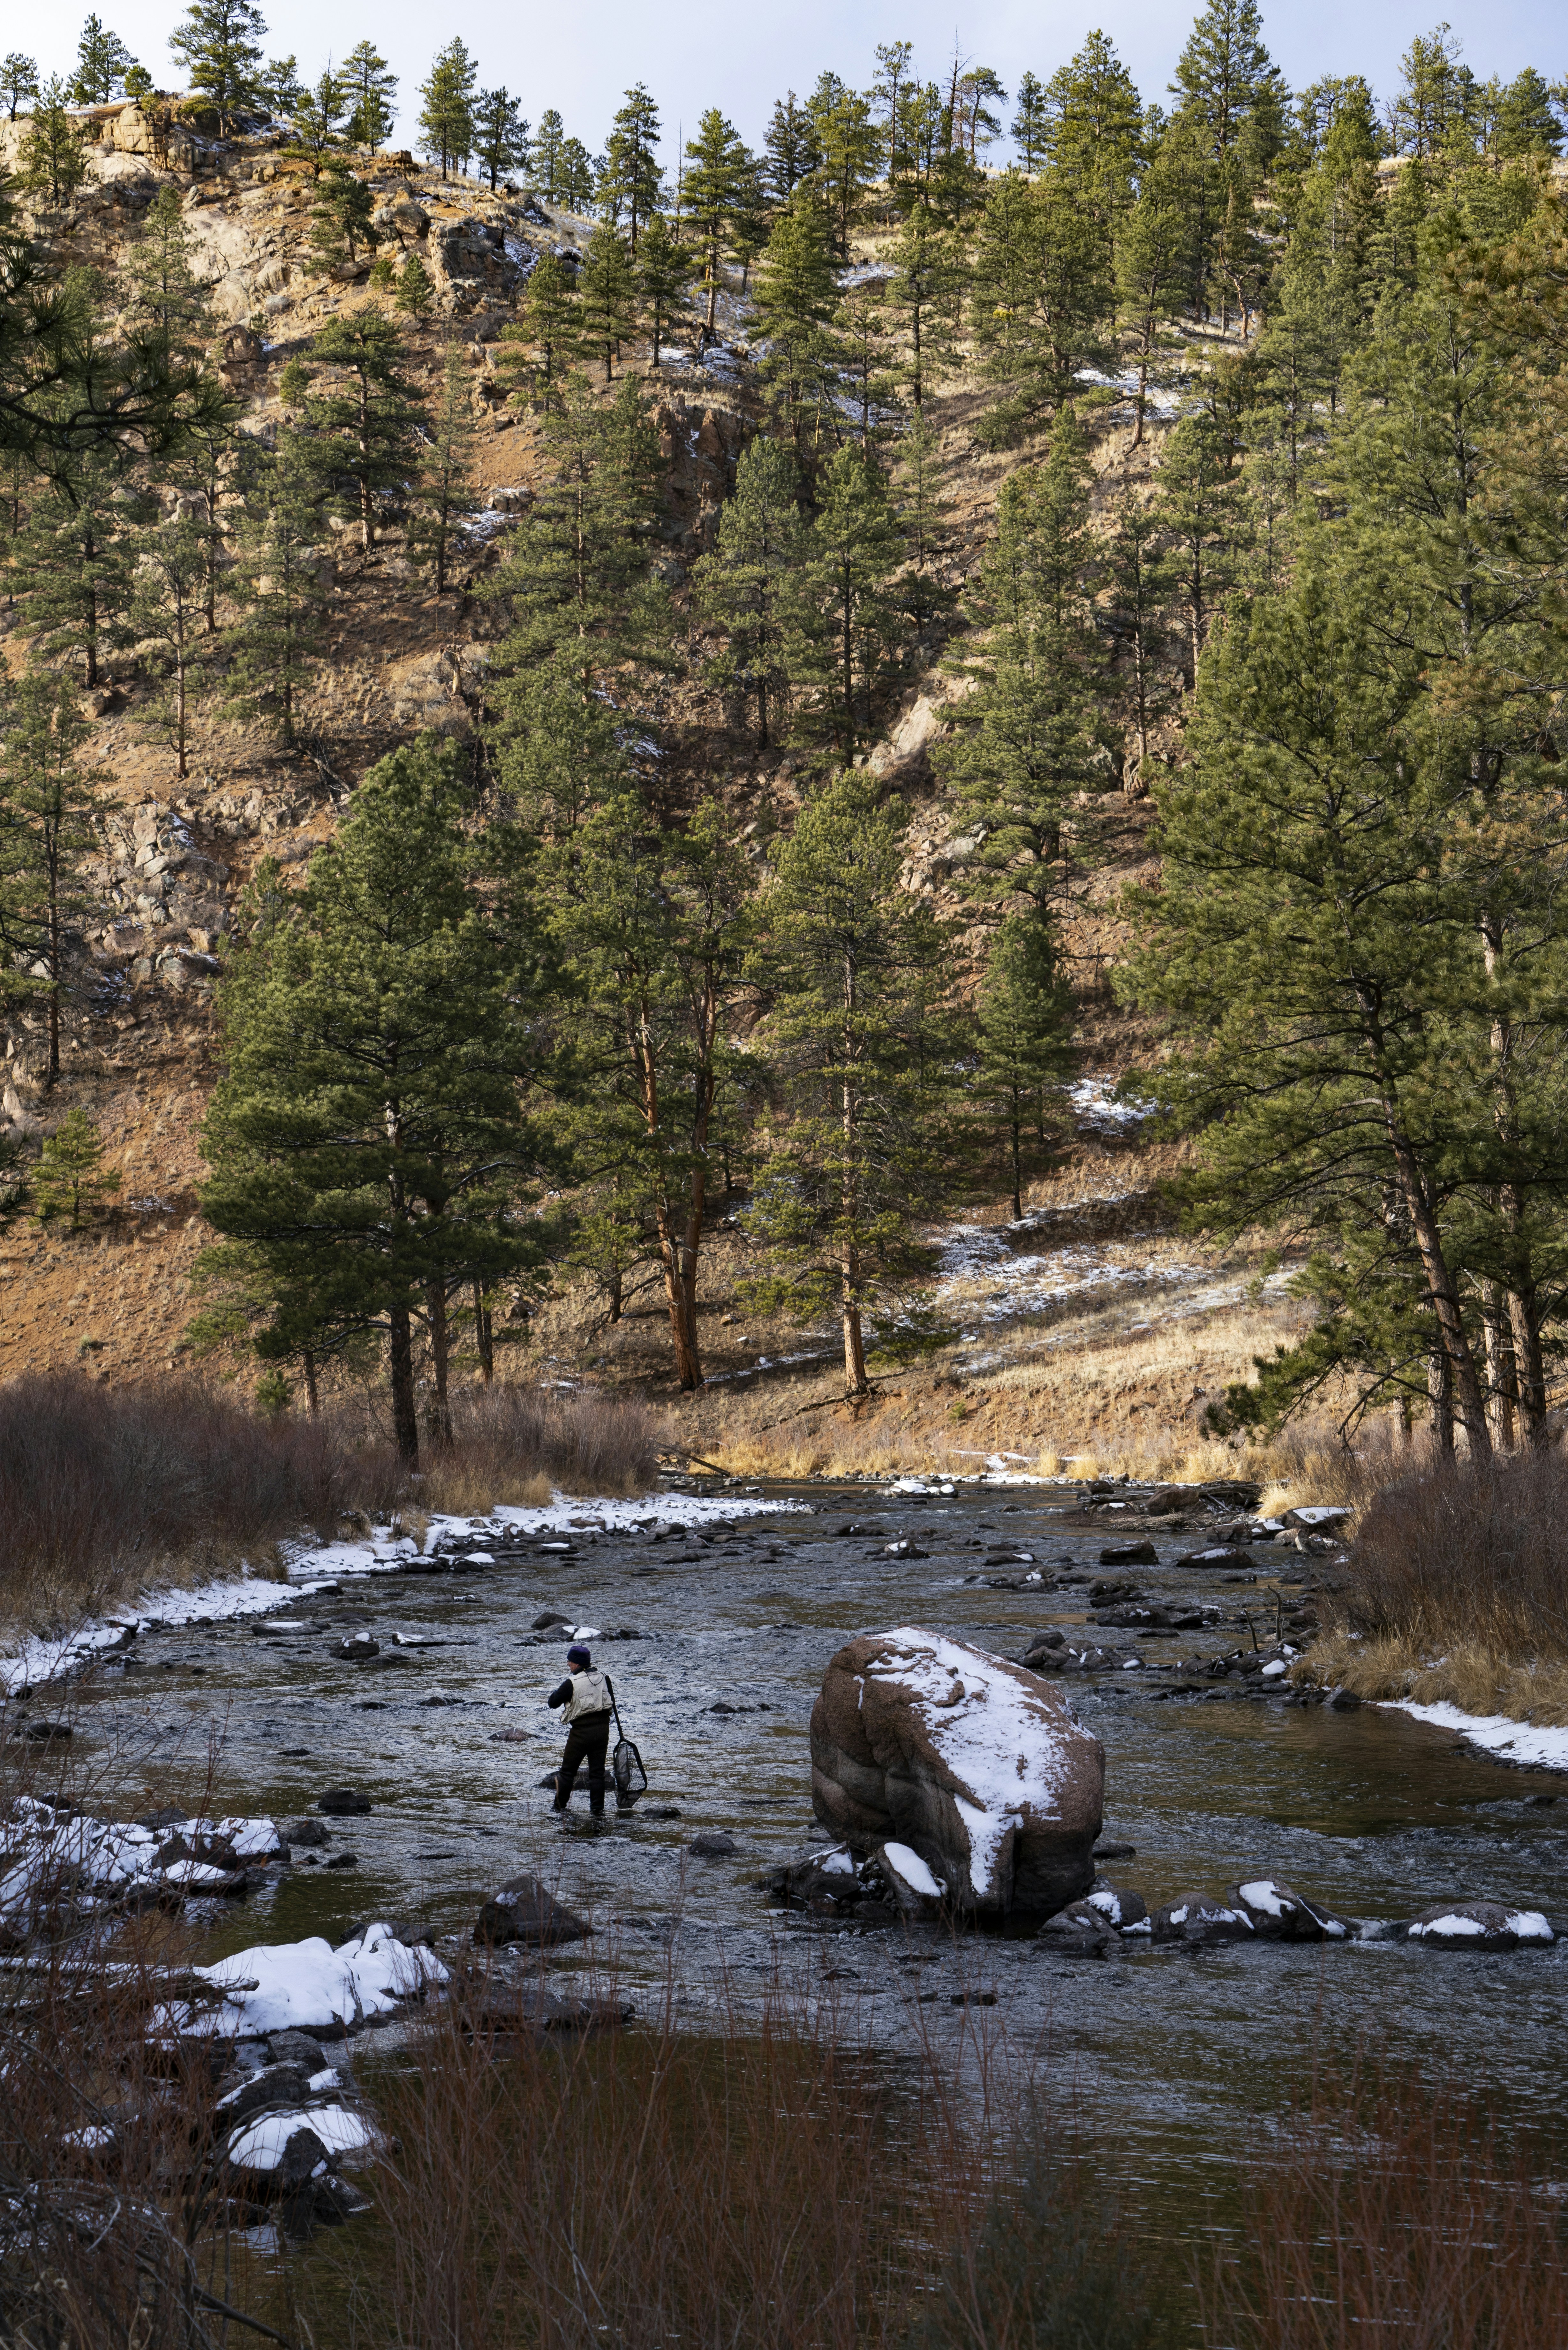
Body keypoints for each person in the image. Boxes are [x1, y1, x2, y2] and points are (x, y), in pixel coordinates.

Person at [547, 1642, 614, 1818]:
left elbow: (552, 1703)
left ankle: (559, 1809)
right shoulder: (604, 1677)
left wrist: (560, 1691)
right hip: (603, 1732)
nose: (568, 1664)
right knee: (597, 1773)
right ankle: (598, 1812)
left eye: (570, 1661)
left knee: (568, 1772)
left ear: (577, 1663)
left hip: (581, 1734)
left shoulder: (571, 1683)